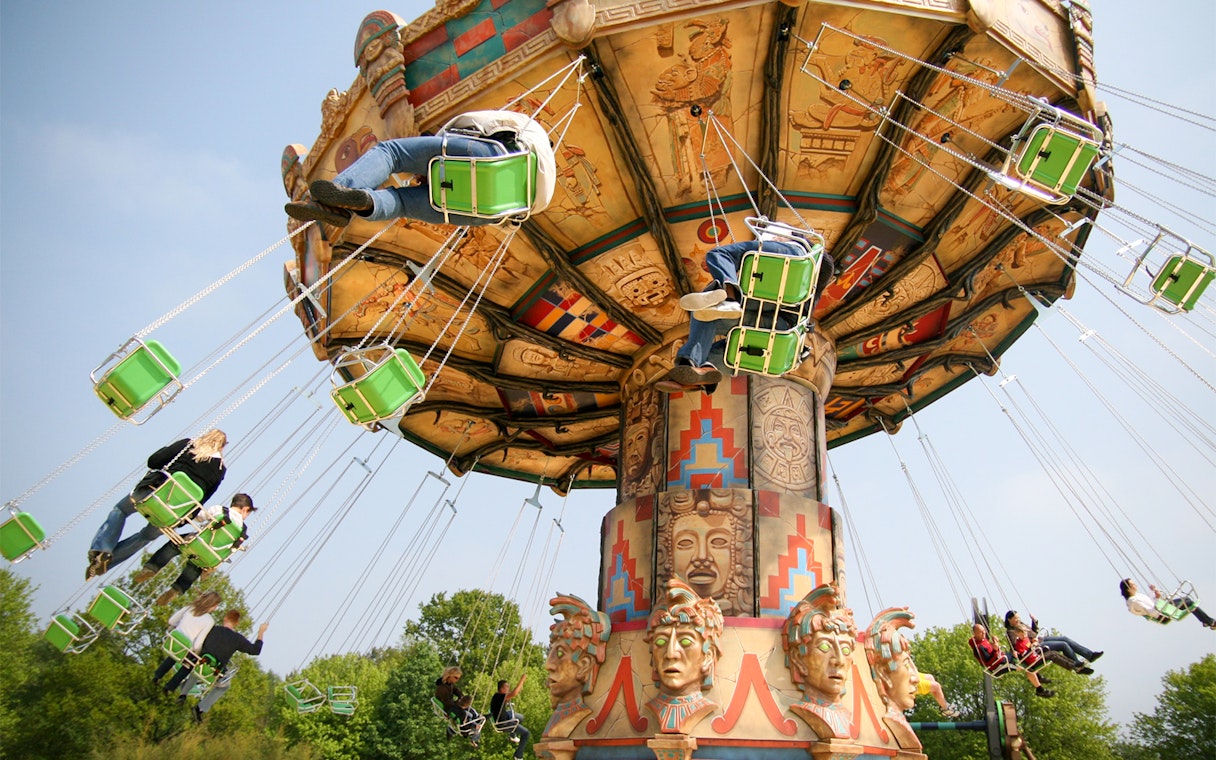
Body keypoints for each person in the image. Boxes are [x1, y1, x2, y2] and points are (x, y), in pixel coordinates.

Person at [284, 109, 555, 228]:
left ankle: (344, 189)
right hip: (489, 210)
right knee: (402, 204)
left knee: (392, 153)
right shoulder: (542, 180)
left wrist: (434, 148)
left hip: (494, 157)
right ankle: (364, 203)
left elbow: (469, 126)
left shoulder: (527, 127)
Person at [659, 235, 835, 393]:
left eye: (774, 237)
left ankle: (728, 297)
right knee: (705, 315)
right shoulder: (805, 290)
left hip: (771, 319)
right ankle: (697, 372)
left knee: (719, 255)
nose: (771, 239)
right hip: (782, 337)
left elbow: (823, 264)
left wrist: (784, 240)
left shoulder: (789, 253)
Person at [86, 430, 228, 580]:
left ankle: (102, 550)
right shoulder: (220, 470)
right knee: (145, 536)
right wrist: (181, 520)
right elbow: (203, 498)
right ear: (222, 447)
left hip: (154, 493)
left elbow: (153, 461)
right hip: (173, 513)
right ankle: (108, 562)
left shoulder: (188, 444)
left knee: (120, 510)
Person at [132, 493, 256, 607]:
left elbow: (200, 517)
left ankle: (151, 568)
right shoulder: (242, 531)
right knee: (196, 566)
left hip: (198, 542)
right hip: (211, 555)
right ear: (245, 509)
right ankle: (176, 590)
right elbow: (231, 550)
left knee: (174, 544)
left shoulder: (219, 510)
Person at [165, 609, 268, 723]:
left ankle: (183, 694)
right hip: (215, 669)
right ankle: (201, 708)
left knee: (199, 668)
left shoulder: (212, 629)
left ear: (225, 618)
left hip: (199, 661)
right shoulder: (237, 639)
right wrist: (261, 632)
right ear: (236, 623)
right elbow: (255, 650)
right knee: (224, 685)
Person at [152, 591, 221, 684]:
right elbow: (198, 643)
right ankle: (171, 685)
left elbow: (171, 621)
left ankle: (157, 675)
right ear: (214, 605)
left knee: (177, 652)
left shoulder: (190, 607)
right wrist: (198, 653)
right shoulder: (209, 621)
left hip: (173, 641)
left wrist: (180, 626)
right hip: (186, 649)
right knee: (192, 661)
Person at [968, 623, 1054, 697]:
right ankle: (1039, 688)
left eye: (984, 631)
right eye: (981, 632)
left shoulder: (982, 640)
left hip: (1002, 658)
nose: (984, 633)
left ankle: (1039, 683)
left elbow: (991, 649)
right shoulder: (978, 647)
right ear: (975, 633)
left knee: (1020, 656)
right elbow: (987, 661)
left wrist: (994, 643)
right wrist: (996, 649)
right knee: (1025, 664)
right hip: (999, 665)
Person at [1004, 610, 1100, 673]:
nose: (1018, 620)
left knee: (1064, 638)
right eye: (1015, 618)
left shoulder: (1021, 624)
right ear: (1009, 620)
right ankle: (1077, 665)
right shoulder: (1011, 631)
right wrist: (1031, 642)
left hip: (1040, 639)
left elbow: (1033, 632)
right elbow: (1016, 645)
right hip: (1035, 646)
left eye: (1018, 617)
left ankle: (1089, 655)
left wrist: (1034, 622)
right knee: (1063, 645)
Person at [1120, 578, 1216, 629]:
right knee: (1189, 603)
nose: (1136, 585)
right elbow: (1151, 611)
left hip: (1160, 608)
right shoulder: (1134, 601)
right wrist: (1157, 599)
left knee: (1186, 600)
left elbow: (1149, 603)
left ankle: (1206, 621)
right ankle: (1210, 622)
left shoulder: (1135, 597)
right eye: (1133, 585)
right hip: (1161, 613)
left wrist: (1153, 592)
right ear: (1128, 589)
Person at [435, 666, 482, 744]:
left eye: (458, 678)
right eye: (456, 678)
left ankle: (476, 720)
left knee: (470, 710)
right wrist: (459, 704)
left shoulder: (449, 684)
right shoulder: (442, 689)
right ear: (450, 675)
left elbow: (456, 690)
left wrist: (461, 697)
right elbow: (447, 703)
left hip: (451, 705)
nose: (457, 680)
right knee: (467, 714)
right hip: (449, 708)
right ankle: (471, 729)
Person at [490, 675, 531, 759]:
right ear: (501, 689)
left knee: (520, 717)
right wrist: (522, 680)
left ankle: (512, 736)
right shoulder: (499, 697)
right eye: (507, 687)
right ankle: (518, 755)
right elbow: (514, 693)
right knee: (526, 733)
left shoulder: (498, 696)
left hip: (505, 716)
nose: (508, 688)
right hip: (503, 723)